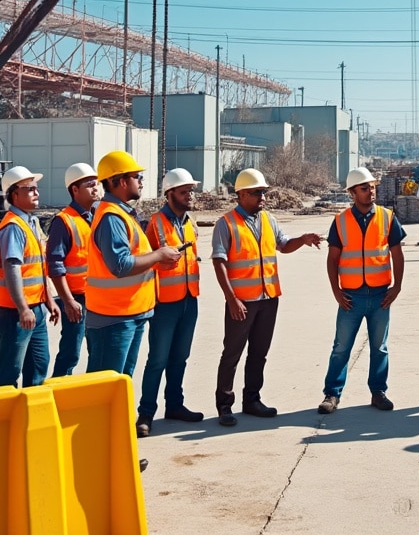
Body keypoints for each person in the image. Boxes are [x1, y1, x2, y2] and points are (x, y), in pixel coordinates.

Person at [211, 168, 323, 427]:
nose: (262, 197)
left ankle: (252, 400)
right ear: (240, 195)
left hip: (268, 298)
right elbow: (219, 262)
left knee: (259, 353)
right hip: (242, 302)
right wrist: (231, 299)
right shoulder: (225, 224)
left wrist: (302, 240)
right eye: (256, 193)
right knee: (232, 354)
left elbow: (283, 245)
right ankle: (224, 405)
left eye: (263, 192)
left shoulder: (268, 220)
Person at [85, 151, 181, 377]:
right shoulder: (112, 217)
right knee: (105, 385)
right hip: (114, 318)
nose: (141, 181)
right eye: (136, 176)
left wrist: (158, 261)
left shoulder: (123, 214)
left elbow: (135, 260)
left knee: (120, 383)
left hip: (130, 312)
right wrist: (158, 256)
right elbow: (120, 265)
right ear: (118, 181)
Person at [319, 167, 406, 415]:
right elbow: (332, 259)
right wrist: (336, 291)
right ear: (352, 193)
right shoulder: (340, 221)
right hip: (351, 296)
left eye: (372, 187)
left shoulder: (388, 217)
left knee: (380, 347)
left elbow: (397, 255)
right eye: (365, 188)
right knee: (341, 347)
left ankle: (378, 392)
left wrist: (397, 286)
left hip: (380, 295)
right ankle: (332, 394)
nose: (371, 191)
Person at [136, 168, 205, 436]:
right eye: (184, 191)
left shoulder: (190, 222)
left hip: (189, 299)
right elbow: (145, 259)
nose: (190, 196)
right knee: (158, 359)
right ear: (170, 194)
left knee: (181, 357)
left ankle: (175, 404)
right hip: (165, 302)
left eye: (191, 191)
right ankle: (146, 413)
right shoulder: (155, 223)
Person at [0, 166, 60, 388]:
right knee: (10, 370)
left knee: (39, 364)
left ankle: (31, 415)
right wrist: (23, 308)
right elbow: (13, 270)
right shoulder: (13, 227)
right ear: (14, 194)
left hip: (36, 308)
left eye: (36, 188)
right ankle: (3, 417)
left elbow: (38, 269)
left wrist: (48, 300)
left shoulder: (31, 222)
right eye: (29, 189)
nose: (36, 192)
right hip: (17, 313)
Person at [47, 163, 101, 378]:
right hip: (76, 298)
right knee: (71, 352)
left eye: (96, 184)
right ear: (74, 190)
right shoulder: (64, 221)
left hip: (97, 296)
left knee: (96, 351)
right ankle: (59, 391)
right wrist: (67, 300)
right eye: (89, 185)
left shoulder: (97, 216)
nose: (95, 188)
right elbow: (55, 265)